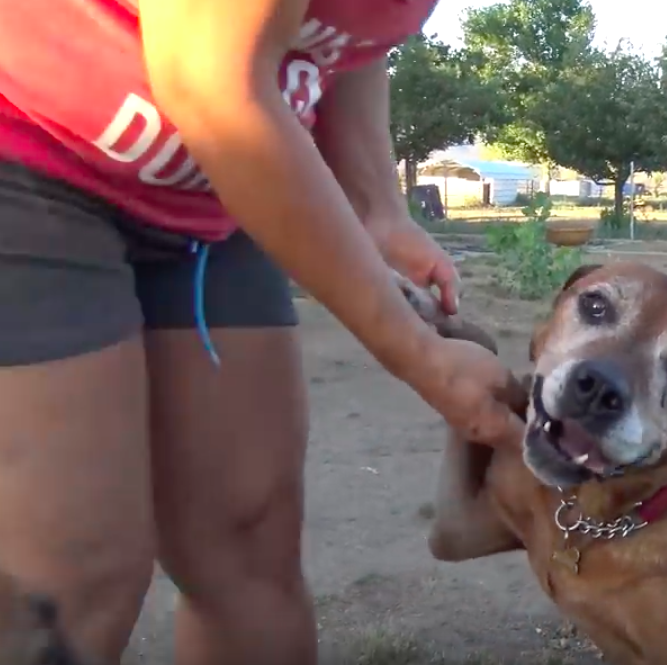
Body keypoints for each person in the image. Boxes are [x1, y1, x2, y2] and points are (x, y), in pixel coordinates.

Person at [0, 0, 525, 663]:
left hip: (212, 195)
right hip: (26, 146)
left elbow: (350, 30)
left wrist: (376, 207)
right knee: (69, 577)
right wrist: (419, 353)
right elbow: (210, 84)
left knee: (246, 542)